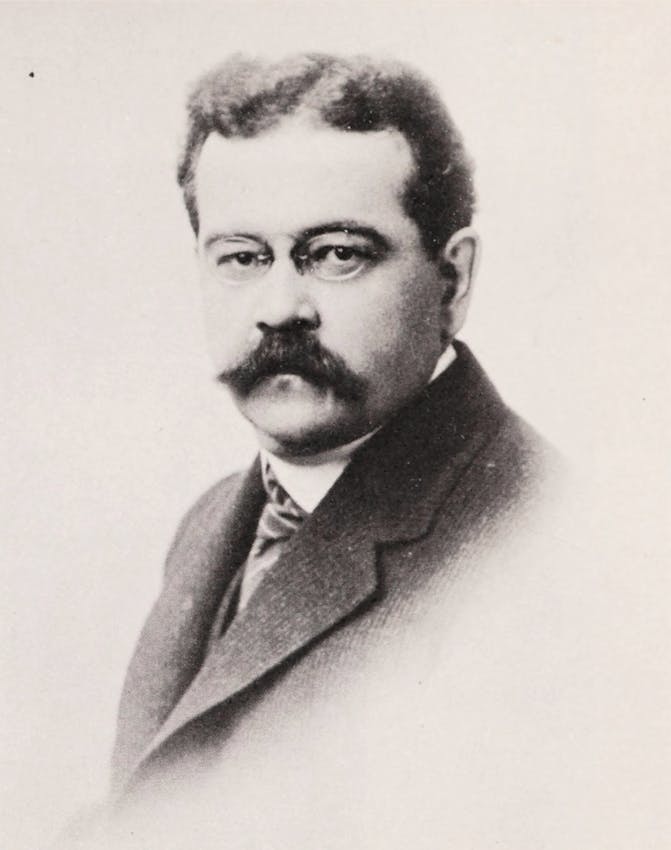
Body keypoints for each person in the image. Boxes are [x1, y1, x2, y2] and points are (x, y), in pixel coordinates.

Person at [104, 52, 561, 842]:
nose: (279, 308)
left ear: (451, 282)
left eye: (338, 253)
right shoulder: (211, 521)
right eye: (242, 258)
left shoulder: (541, 545)